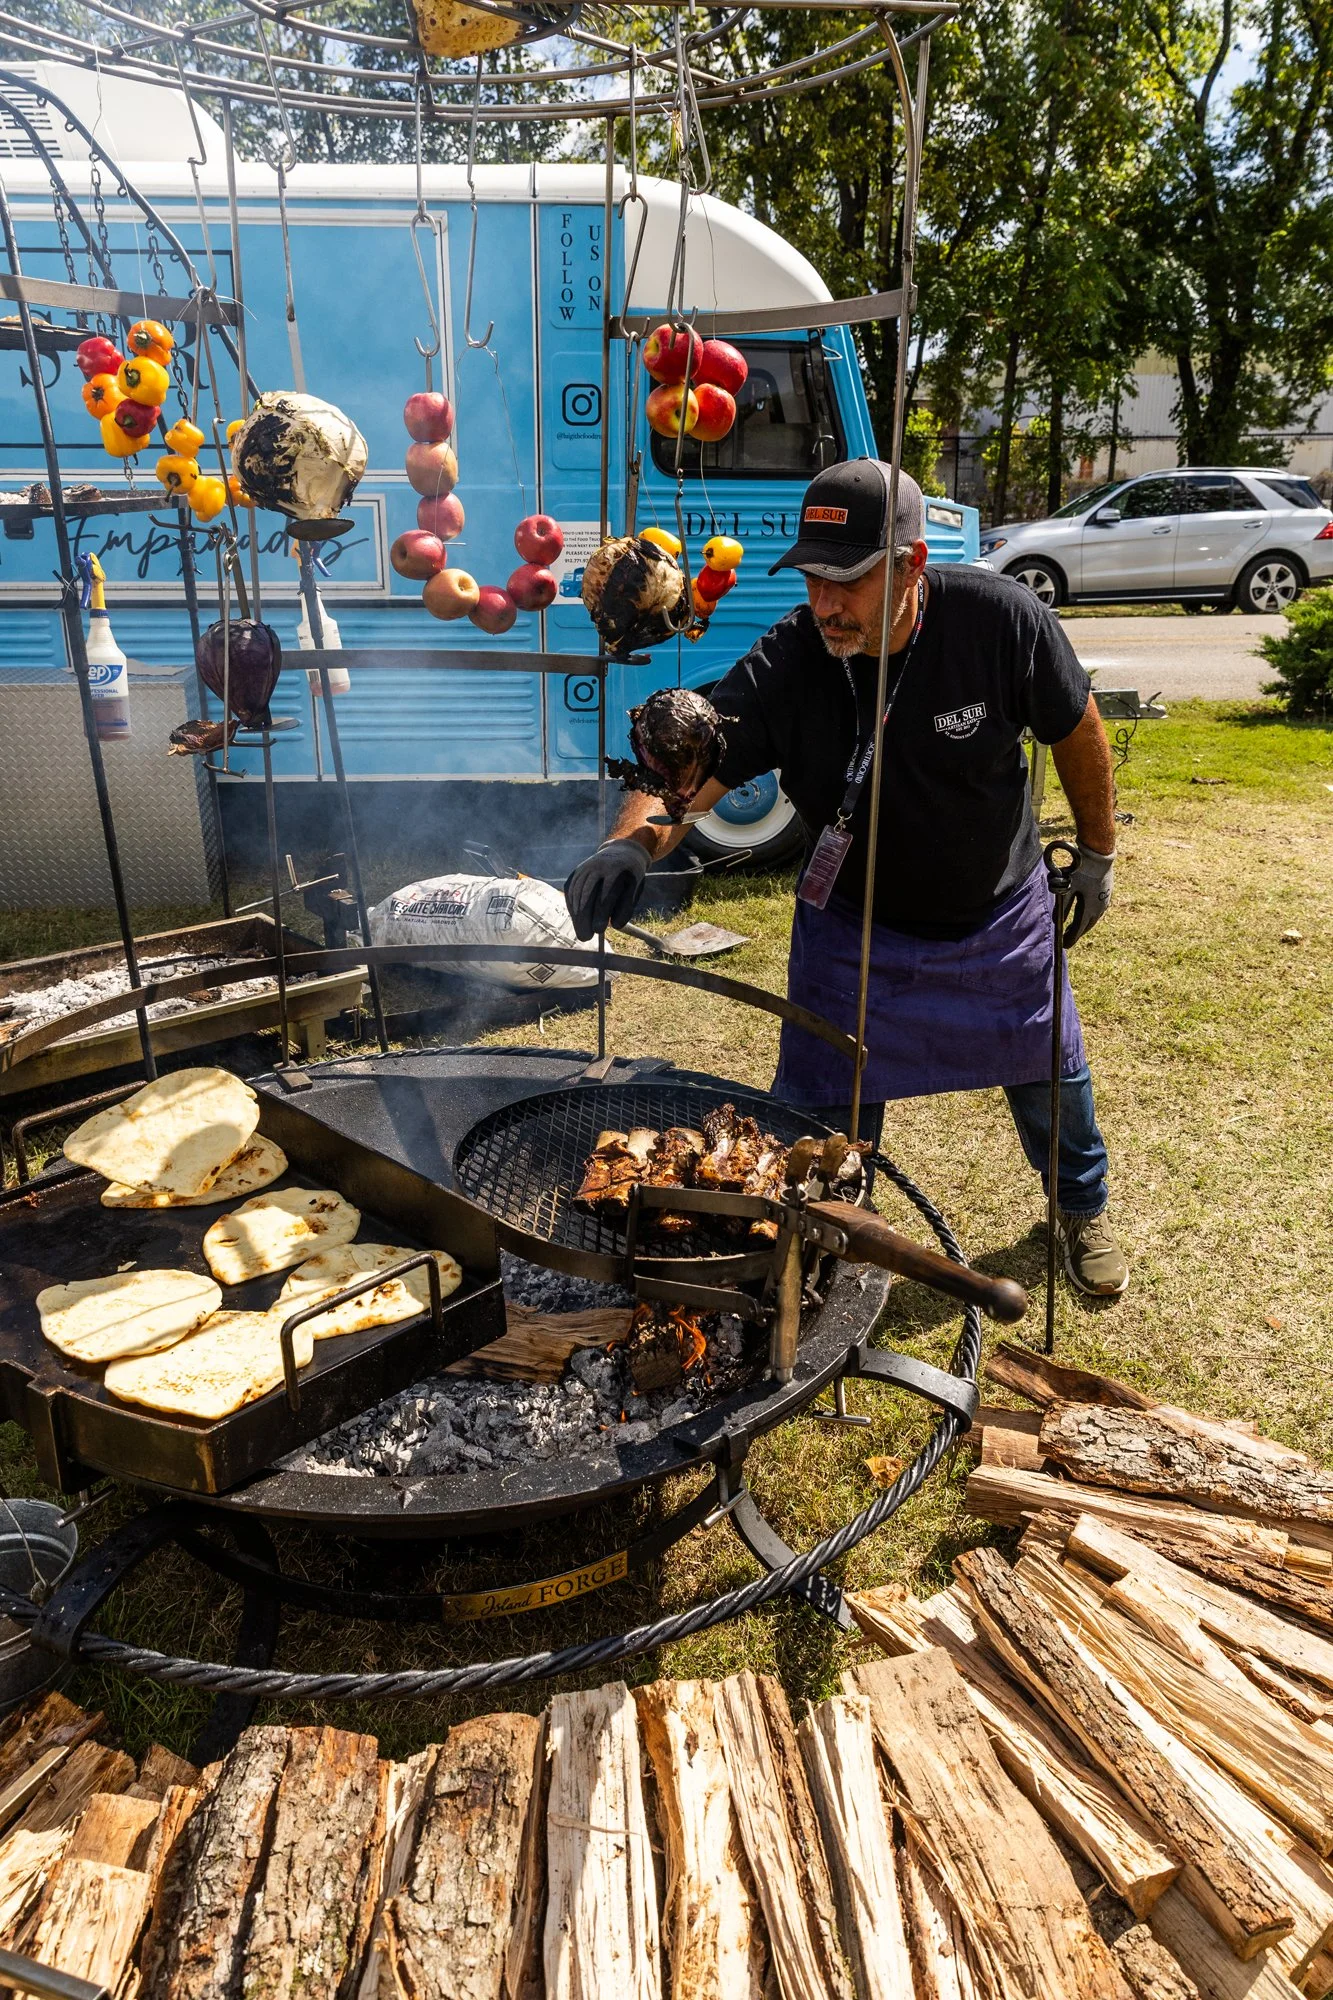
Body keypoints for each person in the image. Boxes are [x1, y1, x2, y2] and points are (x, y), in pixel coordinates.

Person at [565, 458, 1128, 1298]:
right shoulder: (793, 657)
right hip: (852, 924)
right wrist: (628, 847)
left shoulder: (998, 619)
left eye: (848, 580)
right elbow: (689, 767)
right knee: (820, 1116)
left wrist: (1095, 851)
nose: (825, 602)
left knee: (1052, 1078)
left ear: (911, 566)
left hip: (995, 914)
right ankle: (823, 1235)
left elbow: (1074, 723)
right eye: (812, 578)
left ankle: (1079, 1209)